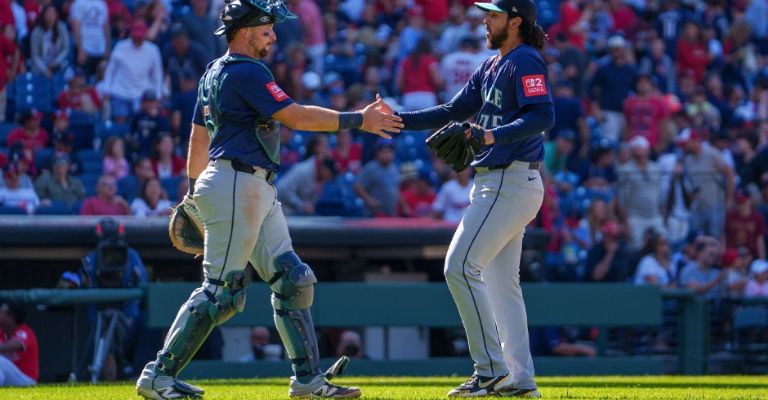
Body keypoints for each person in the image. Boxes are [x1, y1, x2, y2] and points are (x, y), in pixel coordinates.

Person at [134, 0, 402, 398]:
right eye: (266, 28)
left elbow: (198, 137)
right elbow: (296, 117)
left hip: (248, 186)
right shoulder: (244, 71)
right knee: (220, 292)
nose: (274, 35)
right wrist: (359, 119)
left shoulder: (214, 73)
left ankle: (308, 380)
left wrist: (193, 192)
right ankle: (157, 375)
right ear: (244, 31)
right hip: (236, 184)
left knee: (293, 280)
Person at [381, 0, 550, 396]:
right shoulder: (492, 65)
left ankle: (490, 370)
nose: (484, 20)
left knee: (458, 266)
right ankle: (520, 379)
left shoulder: (526, 60)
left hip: (510, 181)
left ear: (515, 21)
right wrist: (395, 119)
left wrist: (492, 135)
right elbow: (453, 110)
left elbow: (542, 116)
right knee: (501, 284)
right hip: (499, 182)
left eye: (492, 15)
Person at [0, 301, 38, 387]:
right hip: (8, 377)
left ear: (11, 316)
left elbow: (11, 346)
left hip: (26, 381)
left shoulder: (25, 332)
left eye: (1, 312)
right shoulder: (2, 332)